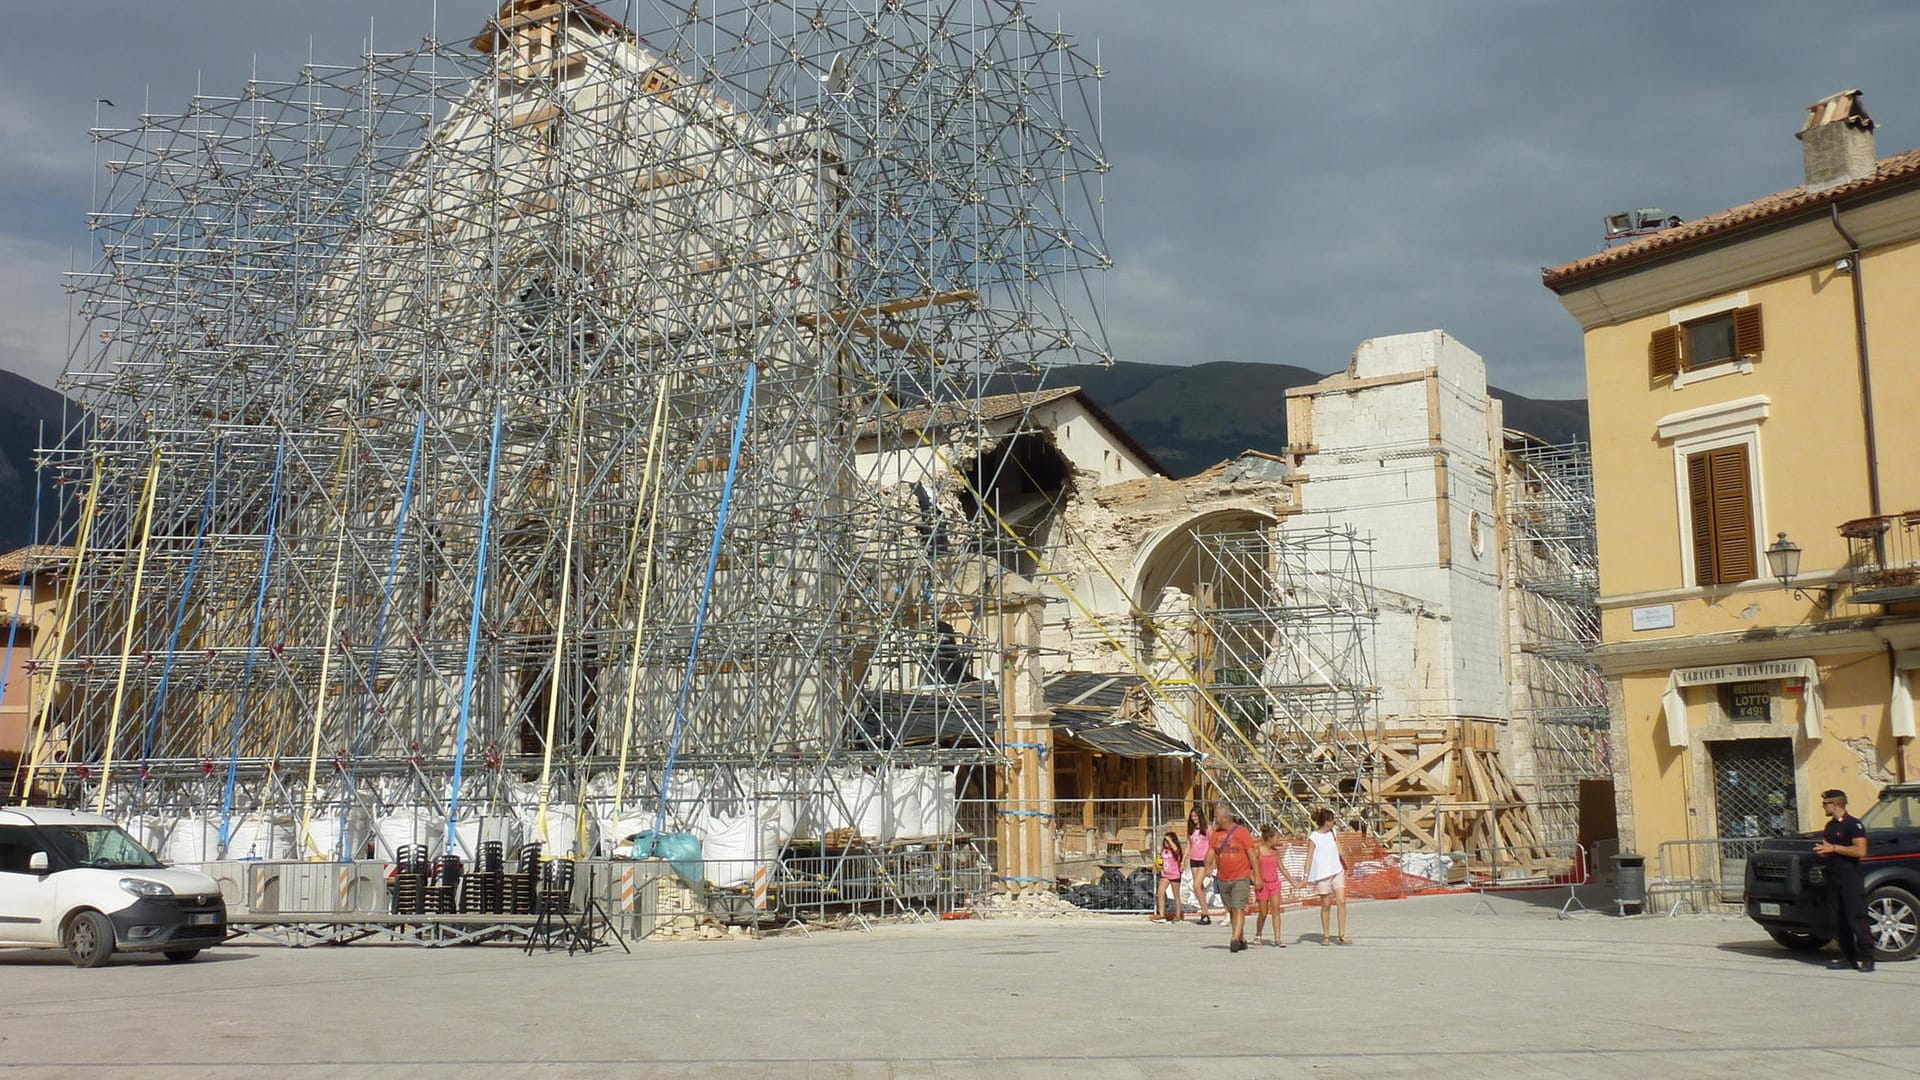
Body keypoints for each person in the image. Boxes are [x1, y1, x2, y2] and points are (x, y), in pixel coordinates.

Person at [1813, 788, 1873, 972]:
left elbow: (1860, 851)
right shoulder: (1830, 826)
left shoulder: (1853, 825)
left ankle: (1868, 957)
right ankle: (1849, 957)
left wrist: (1834, 848)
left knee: (1856, 917)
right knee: (1838, 920)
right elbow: (1829, 848)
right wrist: (1824, 851)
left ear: (1836, 804)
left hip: (1850, 877)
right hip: (1833, 876)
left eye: (1825, 804)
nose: (1823, 806)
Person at [1203, 801, 1257, 952]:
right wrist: (1207, 866)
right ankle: (1241, 938)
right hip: (1223, 877)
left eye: (1216, 817)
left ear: (1224, 818)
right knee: (1232, 909)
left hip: (1241, 876)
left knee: (1239, 907)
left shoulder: (1241, 832)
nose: (1214, 819)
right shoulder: (1216, 834)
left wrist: (1256, 875)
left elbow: (1251, 854)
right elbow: (1212, 851)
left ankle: (1234, 939)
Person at [1306, 807, 1351, 946]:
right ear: (1325, 821)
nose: (1332, 823)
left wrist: (1347, 857)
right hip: (1322, 874)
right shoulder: (1314, 837)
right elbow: (1309, 857)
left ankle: (1342, 934)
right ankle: (1326, 935)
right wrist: (1305, 875)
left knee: (1341, 901)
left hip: (1337, 870)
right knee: (1326, 905)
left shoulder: (1333, 833)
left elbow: (1339, 850)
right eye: (1330, 820)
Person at [1253, 824, 1293, 947]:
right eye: (1276, 838)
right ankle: (1258, 934)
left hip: (1274, 883)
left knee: (1276, 910)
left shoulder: (1275, 852)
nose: (1278, 841)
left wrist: (1293, 881)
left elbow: (1282, 869)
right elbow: (1250, 869)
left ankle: (1277, 938)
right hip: (1262, 884)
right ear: (1270, 839)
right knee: (1263, 912)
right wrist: (1255, 880)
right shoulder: (1258, 851)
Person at [1186, 807, 1213, 926]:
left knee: (1196, 886)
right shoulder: (1191, 829)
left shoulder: (1207, 828)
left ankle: (1205, 913)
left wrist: (1211, 864)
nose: (1194, 819)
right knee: (1199, 887)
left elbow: (1213, 845)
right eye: (1192, 816)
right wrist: (1183, 860)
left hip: (1204, 860)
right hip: (1194, 860)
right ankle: (1204, 910)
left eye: (1196, 816)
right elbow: (1188, 845)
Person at [1152, 830, 1185, 923]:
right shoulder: (1164, 851)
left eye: (1168, 841)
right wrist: (1155, 866)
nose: (1166, 843)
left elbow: (1176, 850)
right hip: (1165, 874)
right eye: (1165, 841)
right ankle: (1162, 915)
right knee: (1160, 892)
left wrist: (1169, 840)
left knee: (1176, 895)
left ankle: (1178, 915)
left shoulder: (1175, 850)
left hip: (1175, 874)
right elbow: (1160, 860)